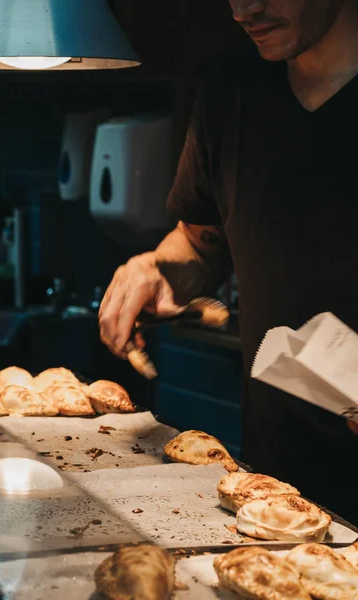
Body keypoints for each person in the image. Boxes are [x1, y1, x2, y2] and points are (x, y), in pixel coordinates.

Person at [99, 0, 358, 524]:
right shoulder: (231, 89)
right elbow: (200, 240)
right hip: (277, 488)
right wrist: (158, 267)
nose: (245, 10)